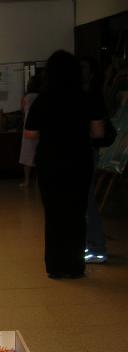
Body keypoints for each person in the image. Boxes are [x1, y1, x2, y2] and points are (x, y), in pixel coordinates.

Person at [24, 50, 105, 279]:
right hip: (79, 160)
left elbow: (30, 133)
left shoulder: (43, 100)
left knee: (54, 214)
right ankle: (75, 266)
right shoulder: (86, 97)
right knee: (77, 214)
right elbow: (98, 132)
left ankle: (56, 266)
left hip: (50, 161)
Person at [80, 57, 109, 264]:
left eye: (83, 68)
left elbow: (98, 132)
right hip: (82, 153)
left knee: (87, 200)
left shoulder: (92, 96)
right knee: (84, 200)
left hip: (84, 153)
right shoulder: (84, 95)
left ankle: (96, 247)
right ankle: (90, 244)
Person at [18, 73, 42, 189]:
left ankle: (27, 181)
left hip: (28, 130)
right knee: (39, 156)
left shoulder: (26, 97)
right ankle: (38, 181)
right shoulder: (41, 97)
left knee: (27, 156)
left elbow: (22, 111)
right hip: (39, 129)